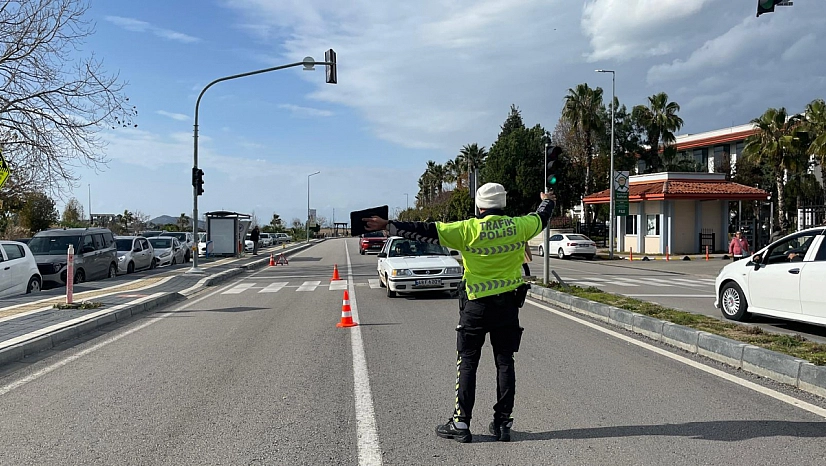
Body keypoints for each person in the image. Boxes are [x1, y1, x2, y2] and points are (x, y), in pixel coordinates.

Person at [363, 182, 554, 443]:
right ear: (503, 204)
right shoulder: (519, 226)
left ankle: (461, 423)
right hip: (507, 307)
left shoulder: (467, 229)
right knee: (505, 362)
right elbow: (540, 217)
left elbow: (425, 231)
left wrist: (388, 225)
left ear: (479, 205)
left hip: (476, 306)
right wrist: (547, 199)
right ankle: (503, 424)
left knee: (468, 362)